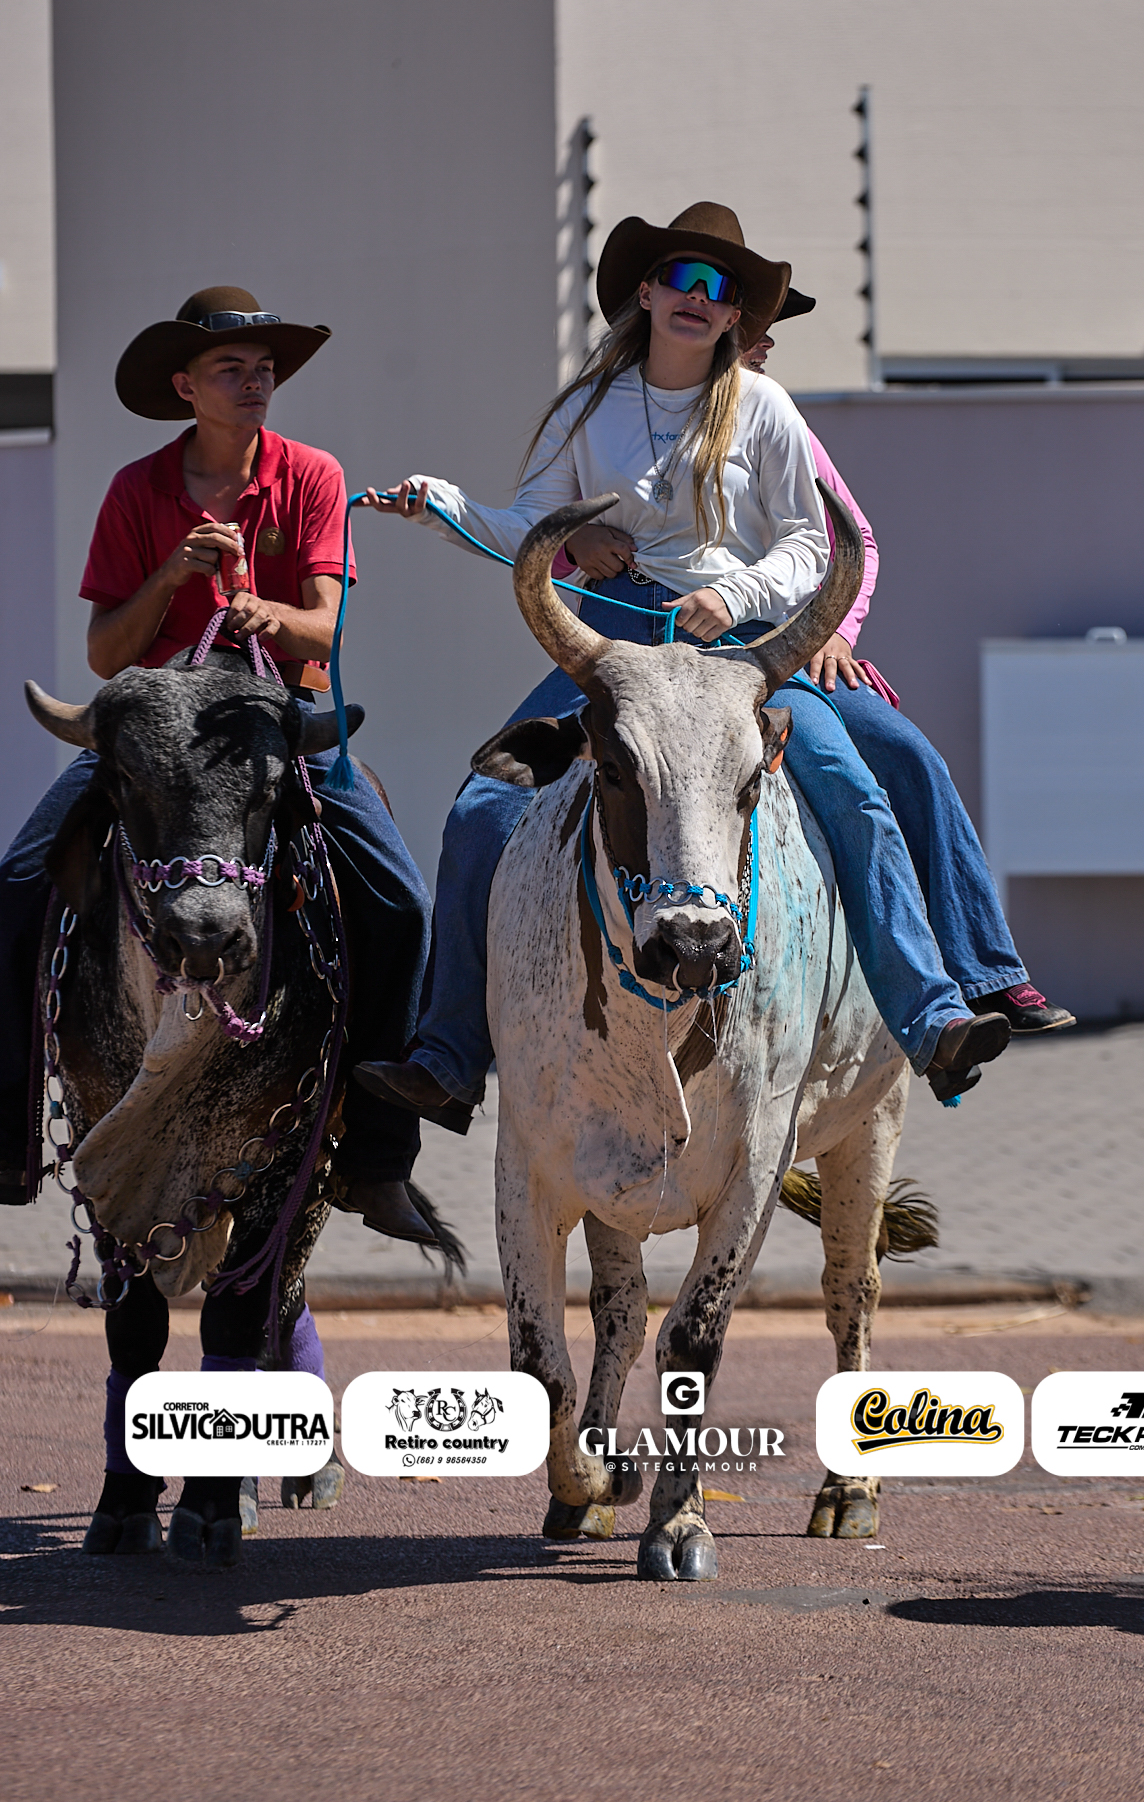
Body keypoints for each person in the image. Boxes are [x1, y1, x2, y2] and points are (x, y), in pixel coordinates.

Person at [353, 202, 1013, 1129]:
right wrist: (440, 504)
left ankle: (933, 1016)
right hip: (617, 646)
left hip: (736, 653)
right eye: (682, 278)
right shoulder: (586, 408)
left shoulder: (763, 405)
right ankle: (450, 1053)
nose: (698, 297)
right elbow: (529, 531)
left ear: (737, 315)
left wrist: (735, 596)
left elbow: (810, 541)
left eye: (720, 288)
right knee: (483, 807)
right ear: (647, 292)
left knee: (854, 791)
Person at [0, 286, 434, 1242]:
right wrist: (174, 575)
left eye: (264, 368)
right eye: (231, 368)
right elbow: (106, 656)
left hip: (270, 719)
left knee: (402, 903)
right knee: (17, 882)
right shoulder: (136, 489)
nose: (255, 382)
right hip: (156, 729)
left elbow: (325, 627)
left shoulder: (311, 474)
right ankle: (10, 1134)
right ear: (185, 387)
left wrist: (266, 616)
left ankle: (377, 1158)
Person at [547, 288, 1073, 1034]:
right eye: (756, 329)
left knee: (907, 758)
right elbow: (546, 531)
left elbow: (849, 539)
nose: (762, 343)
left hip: (764, 649)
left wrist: (837, 632)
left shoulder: (772, 416)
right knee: (494, 796)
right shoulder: (606, 414)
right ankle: (456, 1039)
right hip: (632, 647)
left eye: (761, 329)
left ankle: (983, 973)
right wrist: (572, 544)